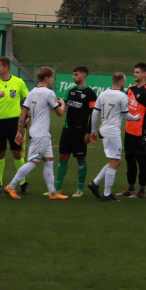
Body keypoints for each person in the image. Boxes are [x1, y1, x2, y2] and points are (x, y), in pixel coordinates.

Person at [3, 66, 68, 200]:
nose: (52, 80)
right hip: (41, 134)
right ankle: (11, 186)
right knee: (33, 162)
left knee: (49, 161)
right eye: (52, 77)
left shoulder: (32, 92)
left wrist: (19, 132)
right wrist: (62, 103)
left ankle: (52, 192)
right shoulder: (49, 93)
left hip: (40, 133)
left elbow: (24, 112)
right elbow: (60, 113)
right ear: (46, 78)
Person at [88, 72, 142, 201]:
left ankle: (95, 183)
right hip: (112, 132)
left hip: (103, 130)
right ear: (122, 83)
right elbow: (126, 116)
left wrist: (93, 131)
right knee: (115, 161)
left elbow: (95, 113)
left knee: (115, 161)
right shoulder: (122, 96)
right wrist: (136, 118)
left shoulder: (103, 93)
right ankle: (107, 194)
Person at [0, 57, 30, 194]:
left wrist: (28, 116)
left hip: (14, 123)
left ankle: (22, 183)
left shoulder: (18, 82)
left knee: (17, 153)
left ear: (6, 67)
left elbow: (28, 99)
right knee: (0, 154)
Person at [55, 65, 95, 196]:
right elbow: (63, 103)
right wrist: (60, 101)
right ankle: (57, 188)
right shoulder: (70, 91)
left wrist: (88, 132)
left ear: (83, 76)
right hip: (67, 129)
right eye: (73, 74)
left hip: (81, 132)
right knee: (62, 157)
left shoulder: (90, 94)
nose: (73, 77)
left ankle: (80, 189)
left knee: (81, 159)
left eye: (76, 74)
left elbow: (93, 114)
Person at [120, 62, 146, 197]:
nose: (134, 74)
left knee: (141, 161)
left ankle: (141, 190)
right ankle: (130, 188)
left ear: (144, 74)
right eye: (134, 72)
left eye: (137, 72)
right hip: (128, 131)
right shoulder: (131, 89)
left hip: (139, 133)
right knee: (129, 159)